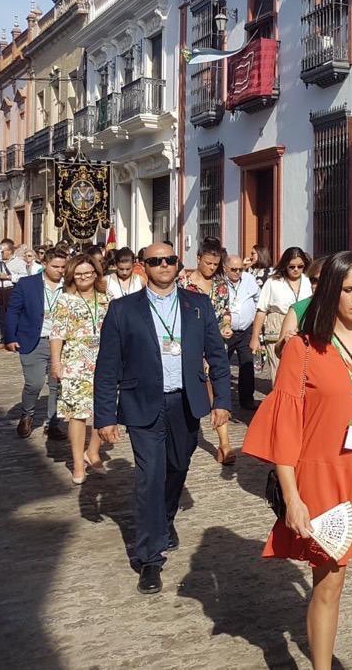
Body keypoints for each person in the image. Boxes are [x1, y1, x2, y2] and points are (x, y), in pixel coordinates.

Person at [241, 250, 352, 670]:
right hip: (324, 480)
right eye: (348, 290)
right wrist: (292, 497)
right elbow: (285, 427)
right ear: (329, 293)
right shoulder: (302, 349)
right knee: (328, 587)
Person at [93, 242, 232, 595]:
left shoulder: (197, 305)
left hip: (185, 402)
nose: (164, 265)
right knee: (150, 476)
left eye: (170, 259)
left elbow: (217, 355)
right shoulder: (123, 310)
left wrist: (222, 402)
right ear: (144, 266)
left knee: (177, 466)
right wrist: (105, 415)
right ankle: (150, 557)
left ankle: (165, 518)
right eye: (156, 261)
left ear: (177, 263)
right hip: (142, 403)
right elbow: (107, 367)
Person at [49, 255, 111, 483]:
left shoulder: (106, 299)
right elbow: (56, 334)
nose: (84, 277)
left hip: (104, 360)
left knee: (103, 409)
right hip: (75, 360)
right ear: (72, 275)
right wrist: (56, 362)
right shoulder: (65, 300)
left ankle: (93, 451)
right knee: (77, 413)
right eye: (79, 273)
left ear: (96, 273)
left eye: (88, 272)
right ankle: (77, 462)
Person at [179, 242, 236, 464]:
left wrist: (226, 326)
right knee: (199, 388)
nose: (211, 267)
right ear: (198, 258)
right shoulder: (183, 282)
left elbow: (224, 311)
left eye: (215, 264)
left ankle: (224, 443)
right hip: (189, 344)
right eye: (208, 263)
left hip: (213, 342)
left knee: (218, 387)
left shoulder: (221, 285)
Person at [8, 247, 69, 439]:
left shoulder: (69, 286)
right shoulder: (27, 284)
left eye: (63, 266)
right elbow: (13, 311)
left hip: (61, 343)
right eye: (55, 266)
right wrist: (10, 337)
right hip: (33, 340)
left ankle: (53, 423)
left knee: (57, 385)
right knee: (34, 384)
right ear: (44, 264)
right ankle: (27, 415)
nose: (60, 270)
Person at [250, 247, 312, 379]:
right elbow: (261, 310)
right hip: (277, 328)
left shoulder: (308, 281)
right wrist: (255, 337)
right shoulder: (273, 282)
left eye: (300, 266)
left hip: (302, 327)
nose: (296, 270)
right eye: (292, 266)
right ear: (285, 265)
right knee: (279, 372)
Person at [223, 254, 262, 410]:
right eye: (233, 269)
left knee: (246, 364)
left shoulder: (248, 279)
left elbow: (258, 298)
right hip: (226, 331)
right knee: (222, 366)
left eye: (240, 269)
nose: (237, 272)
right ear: (225, 268)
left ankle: (247, 399)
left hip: (246, 330)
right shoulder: (220, 281)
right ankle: (222, 401)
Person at [275, 256, 326, 357]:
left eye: (323, 280)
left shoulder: (346, 307)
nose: (317, 285)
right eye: (314, 280)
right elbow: (278, 351)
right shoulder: (299, 308)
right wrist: (285, 341)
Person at [0, 237, 28, 339]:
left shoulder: (19, 262)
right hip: (0, 291)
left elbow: (24, 277)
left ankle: (14, 337)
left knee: (12, 314)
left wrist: (8, 277)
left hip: (11, 290)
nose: (0, 253)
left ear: (9, 251)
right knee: (1, 315)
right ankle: (4, 338)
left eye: (3, 251)